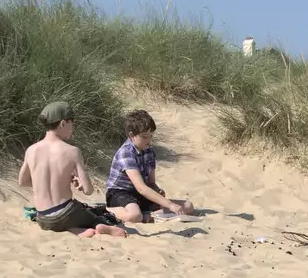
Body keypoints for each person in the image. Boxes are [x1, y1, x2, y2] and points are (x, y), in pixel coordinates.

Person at [19, 101, 127, 237]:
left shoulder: (31, 150)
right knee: (92, 217)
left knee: (61, 221)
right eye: (72, 123)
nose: (73, 127)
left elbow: (22, 182)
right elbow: (88, 191)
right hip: (66, 212)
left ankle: (77, 230)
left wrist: (54, 183)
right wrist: (80, 183)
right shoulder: (72, 151)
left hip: (43, 218)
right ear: (63, 123)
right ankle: (99, 226)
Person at [105, 110, 196, 223]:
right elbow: (141, 187)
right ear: (132, 135)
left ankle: (147, 214)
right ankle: (104, 210)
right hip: (119, 193)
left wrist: (158, 190)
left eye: (150, 136)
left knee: (188, 206)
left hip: (139, 195)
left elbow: (150, 183)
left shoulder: (149, 151)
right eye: (144, 136)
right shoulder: (126, 153)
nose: (149, 140)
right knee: (134, 215)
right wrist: (169, 204)